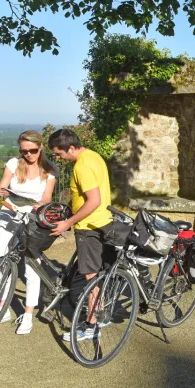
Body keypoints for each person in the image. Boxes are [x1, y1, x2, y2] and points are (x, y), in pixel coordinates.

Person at [47, 128, 113, 342]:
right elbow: (88, 195)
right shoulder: (93, 156)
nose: (58, 158)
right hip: (103, 222)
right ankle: (101, 316)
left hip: (88, 227)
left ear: (72, 148)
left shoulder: (81, 166)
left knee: (90, 277)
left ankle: (91, 327)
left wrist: (68, 222)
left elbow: (93, 200)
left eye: (59, 154)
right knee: (98, 273)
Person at [0, 130, 58, 335]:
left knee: (31, 266)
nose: (28, 154)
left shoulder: (50, 169)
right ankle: (2, 308)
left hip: (33, 219)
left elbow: (47, 198)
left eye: (33, 150)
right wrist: (0, 192)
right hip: (9, 214)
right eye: (24, 150)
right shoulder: (13, 164)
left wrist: (36, 205)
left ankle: (28, 314)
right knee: (2, 261)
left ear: (41, 148)